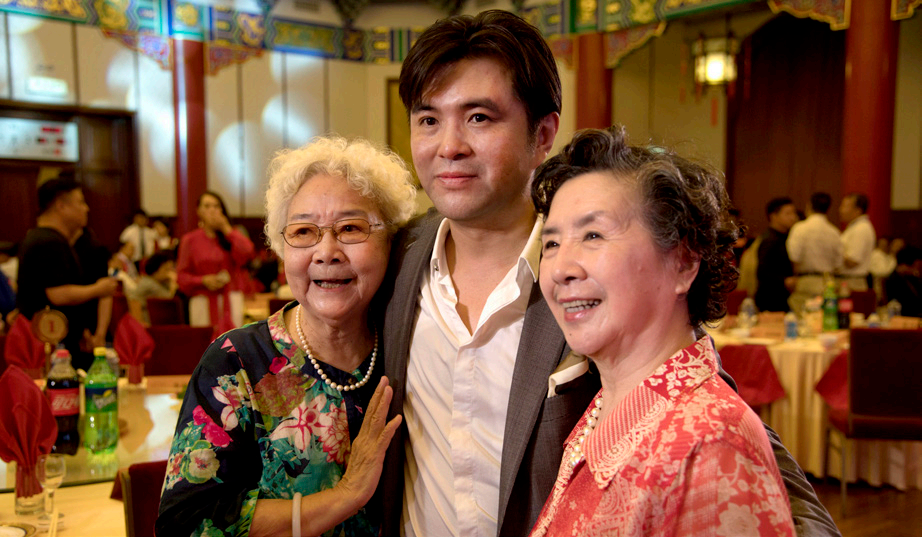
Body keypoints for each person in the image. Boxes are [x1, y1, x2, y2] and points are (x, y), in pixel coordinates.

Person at [379, 10, 839, 537]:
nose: (449, 146)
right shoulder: (395, 257)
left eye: (479, 118)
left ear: (542, 133)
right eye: (428, 120)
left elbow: (717, 428)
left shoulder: (599, 282)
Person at [528, 126, 795, 536]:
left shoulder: (712, 443)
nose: (561, 269)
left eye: (593, 235)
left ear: (684, 262)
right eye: (551, 244)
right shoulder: (607, 406)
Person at [157, 136, 417, 536]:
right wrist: (345, 495)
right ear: (282, 248)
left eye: (350, 228)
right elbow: (185, 524)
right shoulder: (235, 364)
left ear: (391, 241)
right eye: (304, 231)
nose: (326, 251)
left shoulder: (409, 350)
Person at [16, 175, 118, 370]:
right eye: (80, 202)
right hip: (51, 345)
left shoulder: (46, 238)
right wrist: (99, 288)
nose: (86, 208)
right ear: (61, 206)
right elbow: (58, 294)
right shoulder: (49, 242)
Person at [177, 191, 255, 335]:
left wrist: (226, 228)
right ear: (199, 211)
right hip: (202, 300)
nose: (212, 210)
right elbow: (181, 277)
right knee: (204, 343)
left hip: (231, 298)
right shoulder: (190, 240)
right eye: (207, 206)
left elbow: (248, 252)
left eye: (216, 206)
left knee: (233, 341)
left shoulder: (231, 235)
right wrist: (203, 280)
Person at [786, 192, 842, 312]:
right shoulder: (834, 232)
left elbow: (794, 256)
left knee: (803, 318)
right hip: (828, 282)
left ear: (809, 206)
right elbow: (838, 263)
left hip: (806, 281)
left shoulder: (800, 228)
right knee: (825, 318)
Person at [755, 196, 798, 312]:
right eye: (788, 213)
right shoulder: (769, 240)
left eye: (794, 213)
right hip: (770, 299)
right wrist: (784, 280)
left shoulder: (789, 237)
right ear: (773, 216)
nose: (793, 217)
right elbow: (762, 272)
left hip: (784, 297)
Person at [126, 251, 178, 325]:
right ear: (156, 269)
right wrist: (174, 281)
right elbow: (169, 300)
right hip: (148, 323)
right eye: (166, 269)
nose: (170, 273)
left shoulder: (160, 282)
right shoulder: (149, 283)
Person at [838, 192, 875, 291]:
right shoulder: (854, 227)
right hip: (848, 281)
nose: (840, 210)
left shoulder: (861, 228)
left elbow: (853, 261)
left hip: (853, 282)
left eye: (845, 206)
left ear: (858, 210)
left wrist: (834, 251)